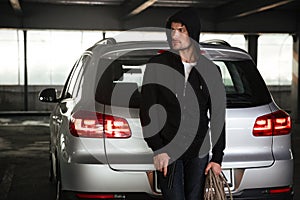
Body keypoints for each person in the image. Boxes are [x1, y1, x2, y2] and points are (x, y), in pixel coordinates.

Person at [140, 7, 226, 200]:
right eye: (172, 30)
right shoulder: (158, 65)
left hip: (199, 152)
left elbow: (218, 116)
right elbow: (147, 110)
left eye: (181, 30)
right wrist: (158, 149)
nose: (175, 35)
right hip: (168, 150)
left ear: (193, 33)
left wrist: (217, 158)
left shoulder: (210, 70)